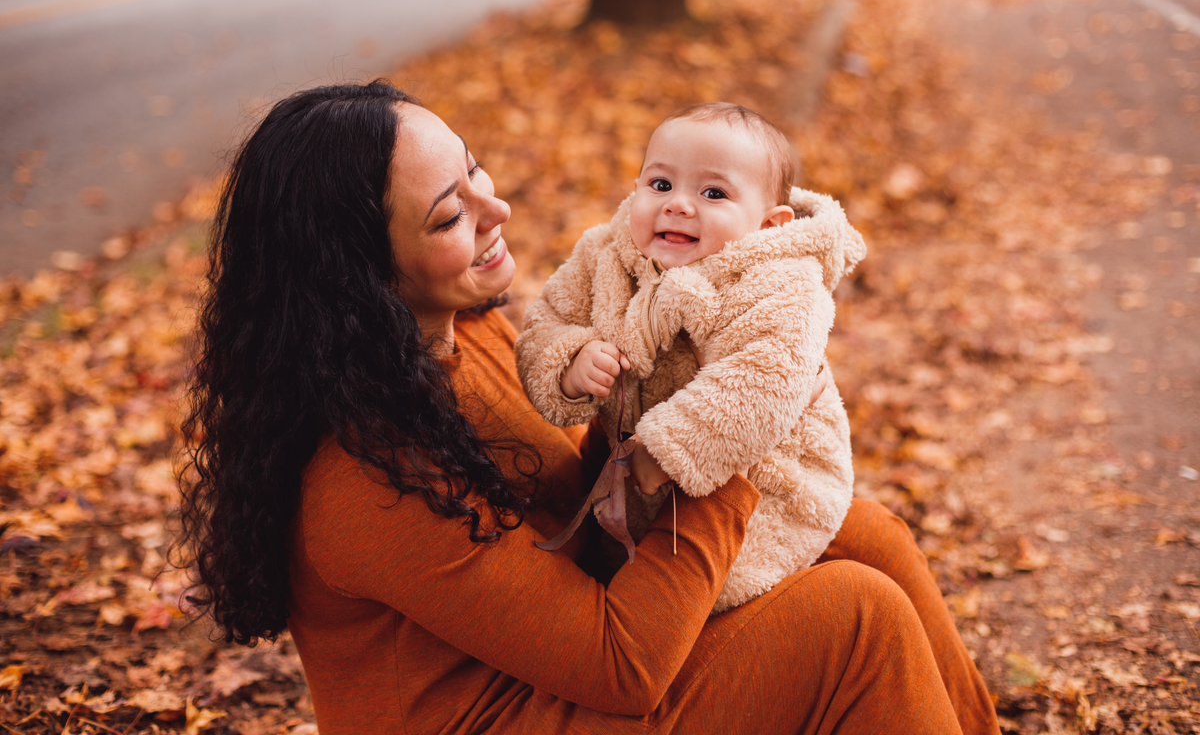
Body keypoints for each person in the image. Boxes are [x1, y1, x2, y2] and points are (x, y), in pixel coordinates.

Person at [179, 80, 1000, 735]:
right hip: (523, 708)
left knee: (865, 533)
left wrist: (718, 362)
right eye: (450, 215)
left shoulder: (463, 331)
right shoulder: (369, 475)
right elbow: (621, 667)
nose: (496, 210)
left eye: (474, 172)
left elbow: (574, 480)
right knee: (855, 616)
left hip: (569, 648)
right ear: (359, 275)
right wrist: (736, 433)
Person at [517, 103, 863, 613]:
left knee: (710, 602)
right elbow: (546, 321)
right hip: (632, 493)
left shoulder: (783, 283)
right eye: (661, 185)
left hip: (765, 489)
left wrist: (665, 451)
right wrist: (569, 363)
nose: (678, 205)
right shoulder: (605, 254)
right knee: (620, 579)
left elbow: (762, 380)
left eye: (713, 193)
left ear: (768, 224)